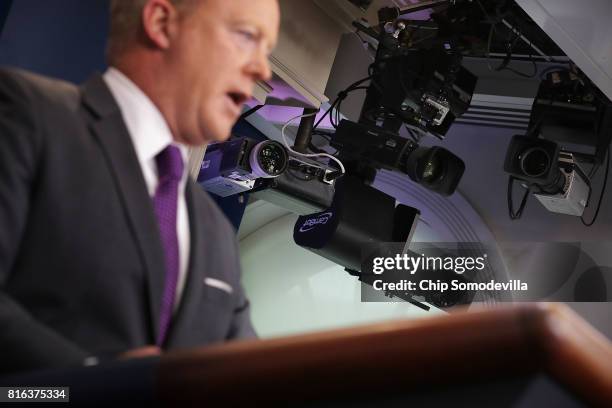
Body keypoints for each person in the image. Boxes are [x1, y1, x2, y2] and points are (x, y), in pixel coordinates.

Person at [0, 0, 280, 374]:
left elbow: (248, 381)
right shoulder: (28, 114)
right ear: (161, 23)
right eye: (247, 36)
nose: (263, 68)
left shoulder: (216, 235)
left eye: (268, 50)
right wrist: (87, 386)